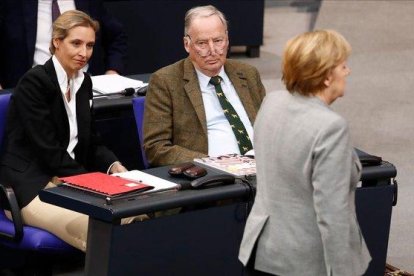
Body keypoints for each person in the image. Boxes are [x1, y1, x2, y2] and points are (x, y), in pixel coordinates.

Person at [239, 30, 371, 275]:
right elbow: (333, 213)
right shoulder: (331, 127)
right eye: (343, 66)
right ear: (327, 77)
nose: (348, 72)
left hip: (262, 252)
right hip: (307, 263)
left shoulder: (272, 103)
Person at [0, 10, 128, 252]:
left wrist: (114, 166)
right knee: (103, 229)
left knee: (136, 217)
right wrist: (95, 183)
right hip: (32, 186)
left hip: (69, 181)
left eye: (90, 45)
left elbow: (91, 142)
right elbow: (48, 151)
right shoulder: (34, 83)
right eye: (76, 43)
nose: (84, 53)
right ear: (57, 42)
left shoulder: (84, 82)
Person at [143, 5, 266, 167]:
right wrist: (211, 163)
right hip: (213, 176)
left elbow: (269, 127)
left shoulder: (247, 73)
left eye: (218, 40)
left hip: (262, 168)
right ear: (187, 44)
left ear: (227, 39)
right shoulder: (166, 81)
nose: (213, 50)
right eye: (202, 43)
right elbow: (156, 148)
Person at [0, 0, 127, 89]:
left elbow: (116, 36)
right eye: (76, 43)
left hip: (84, 89)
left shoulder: (90, 3)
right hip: (31, 92)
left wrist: (112, 73)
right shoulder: (11, 4)